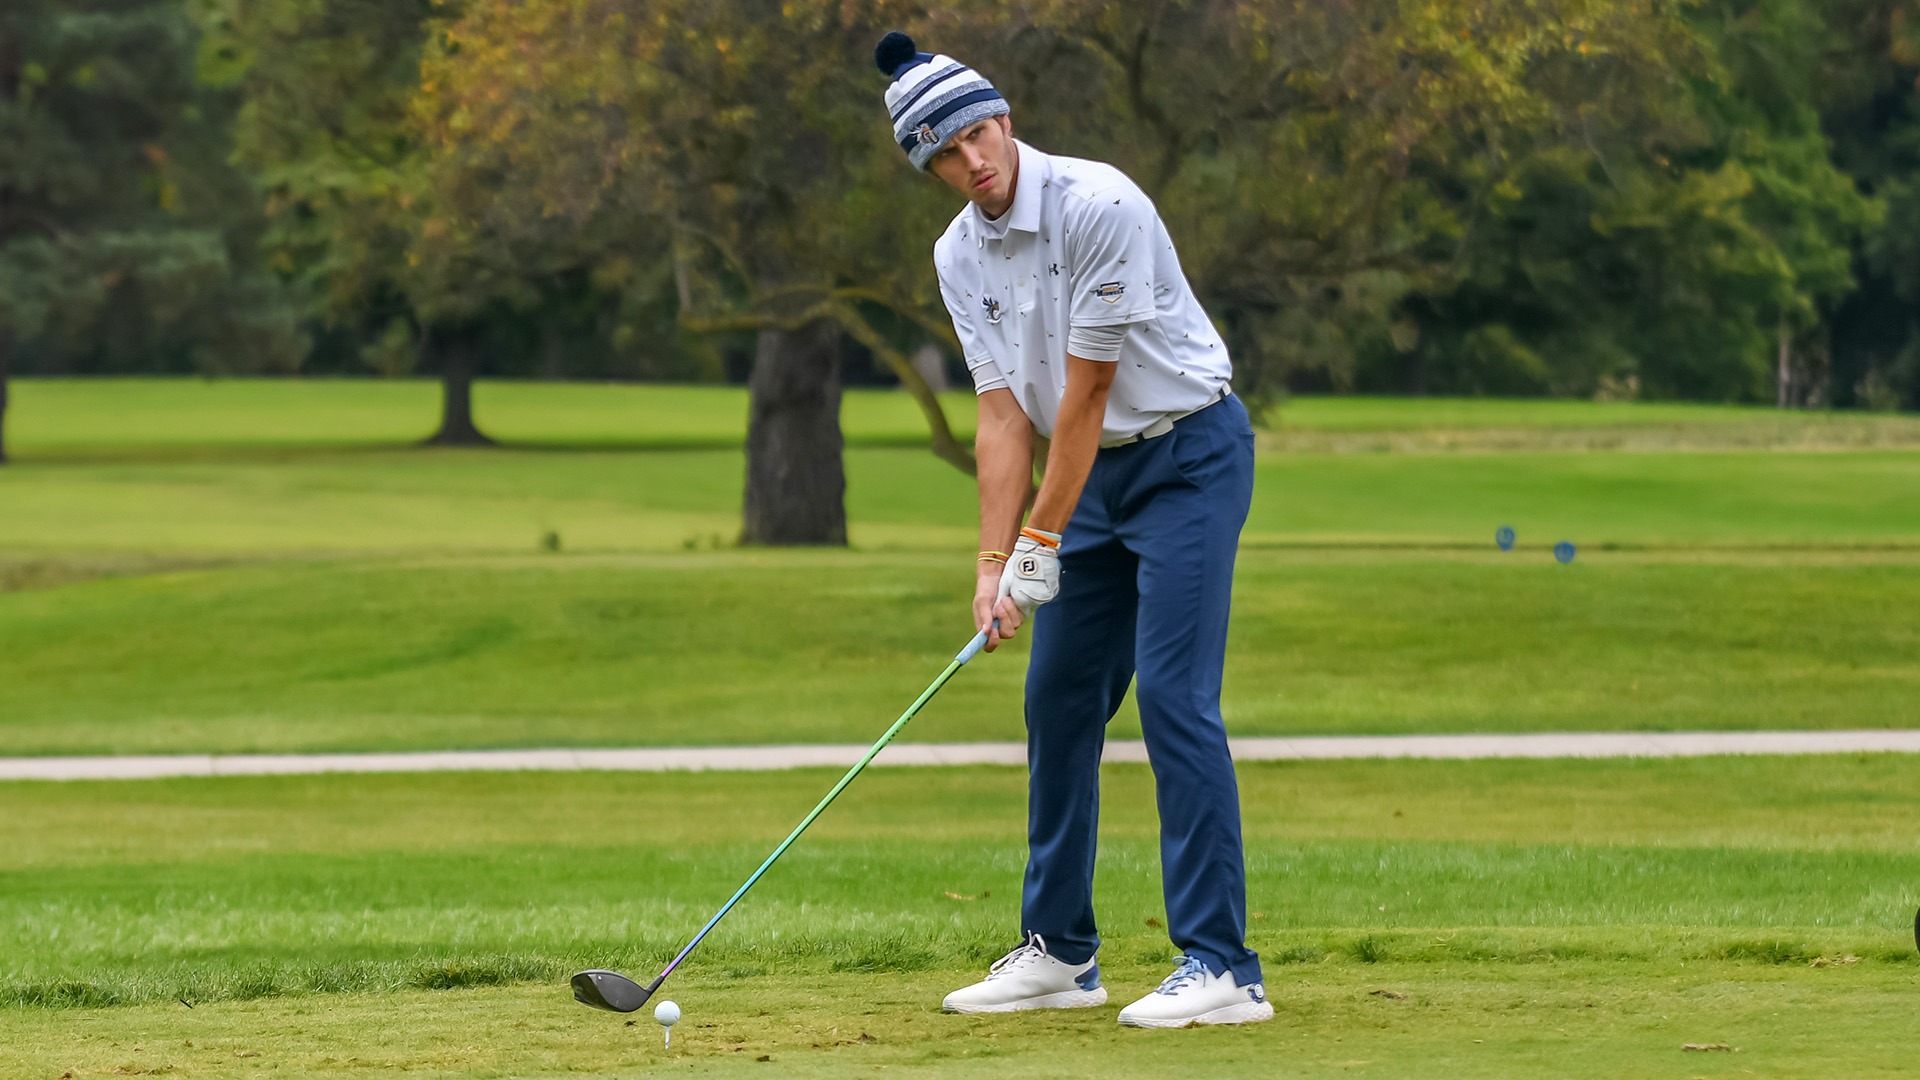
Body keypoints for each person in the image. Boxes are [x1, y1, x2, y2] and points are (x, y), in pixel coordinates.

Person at [873, 32, 1270, 1028]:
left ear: (1003, 119)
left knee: (1175, 700)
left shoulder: (1100, 205)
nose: (974, 160)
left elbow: (1087, 397)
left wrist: (1037, 547)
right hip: (1083, 481)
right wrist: (993, 561)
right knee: (1057, 703)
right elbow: (1004, 415)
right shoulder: (957, 253)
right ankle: (1061, 954)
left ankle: (1224, 967)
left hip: (1186, 458)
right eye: (947, 154)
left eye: (979, 133)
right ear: (931, 170)